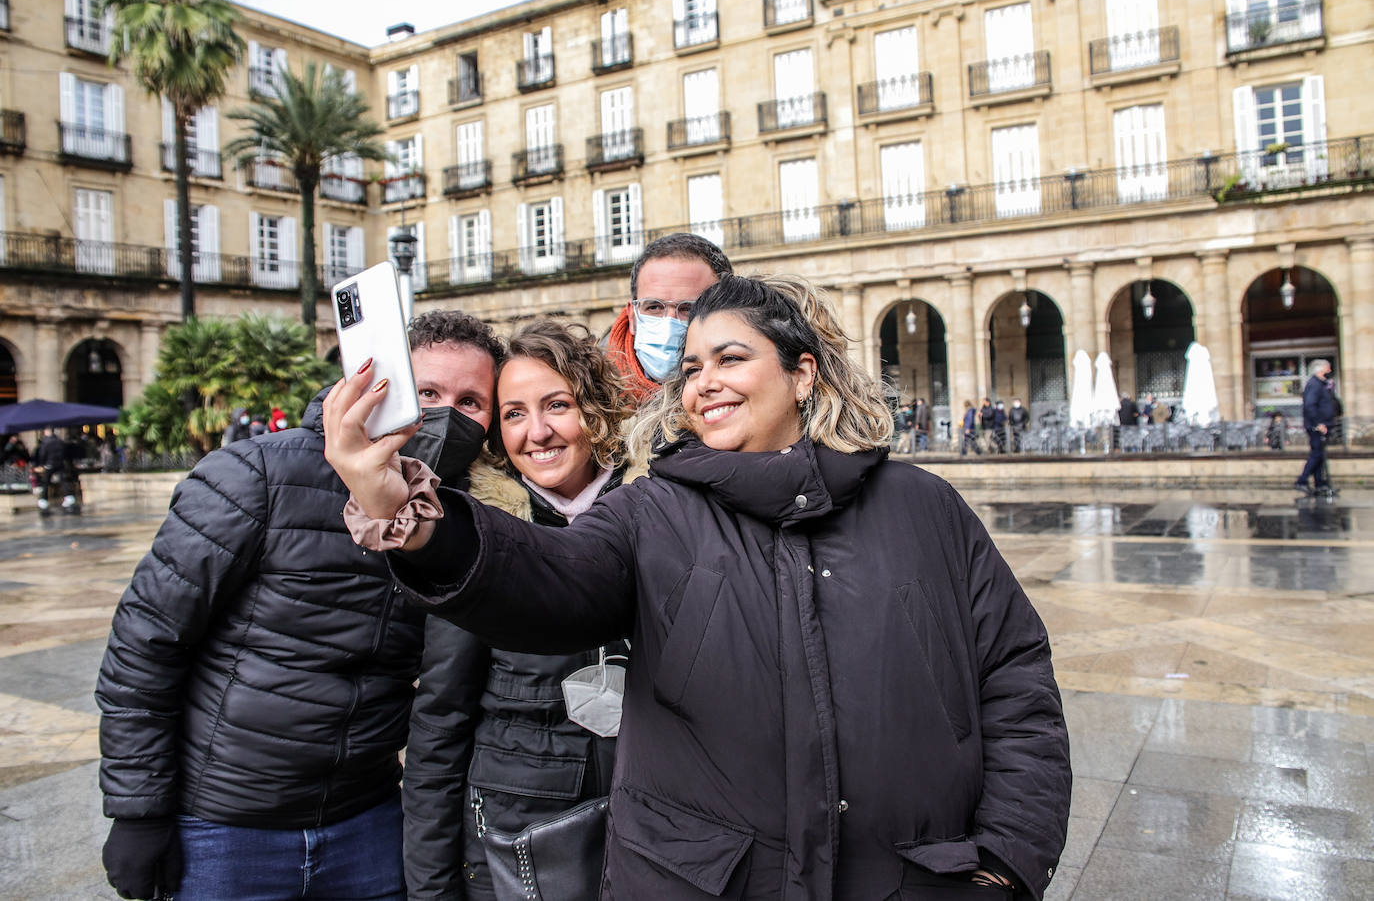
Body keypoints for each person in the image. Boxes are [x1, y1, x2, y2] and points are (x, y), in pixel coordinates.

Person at [325, 275, 1072, 900]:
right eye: (690, 368)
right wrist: (413, 517)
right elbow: (545, 581)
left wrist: (1006, 861)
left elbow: (1015, 679)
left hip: (913, 881)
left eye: (731, 358)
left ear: (802, 371)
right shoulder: (652, 512)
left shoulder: (924, 506)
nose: (705, 382)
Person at [94, 310, 503, 901]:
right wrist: (138, 810)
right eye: (427, 392)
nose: (444, 414)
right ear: (373, 385)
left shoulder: (464, 515)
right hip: (225, 826)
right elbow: (145, 644)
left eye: (471, 401)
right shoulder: (253, 473)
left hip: (368, 817)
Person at [405, 320, 642, 900]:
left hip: (650, 824)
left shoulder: (656, 512)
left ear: (595, 408)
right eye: (513, 413)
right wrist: (432, 890)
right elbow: (441, 718)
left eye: (556, 404)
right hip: (515, 838)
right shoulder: (479, 532)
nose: (537, 433)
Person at [604, 233, 732, 402]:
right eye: (654, 307)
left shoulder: (744, 390)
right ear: (632, 316)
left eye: (688, 308)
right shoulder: (591, 398)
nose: (669, 324)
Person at [1295, 358, 1336, 495]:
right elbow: (1310, 406)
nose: (1329, 371)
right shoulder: (1314, 384)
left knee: (1320, 455)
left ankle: (1320, 484)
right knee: (1317, 454)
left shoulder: (1322, 384)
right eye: (1327, 368)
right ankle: (1302, 480)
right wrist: (1318, 423)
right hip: (1316, 426)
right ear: (1319, 370)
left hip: (1322, 425)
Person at [31, 427, 69, 516]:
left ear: (47, 432)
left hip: (49, 464)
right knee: (63, 480)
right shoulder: (59, 440)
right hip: (60, 463)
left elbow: (42, 454)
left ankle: (43, 499)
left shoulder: (46, 442)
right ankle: (69, 496)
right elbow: (65, 452)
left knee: (45, 482)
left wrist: (41, 464)